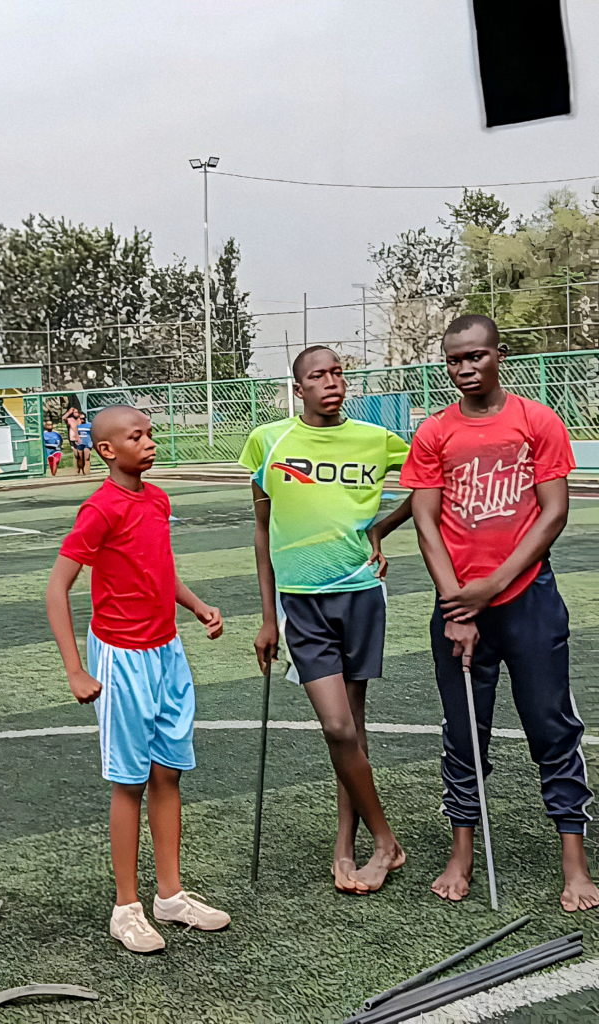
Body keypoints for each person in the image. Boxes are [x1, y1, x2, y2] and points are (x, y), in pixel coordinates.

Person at [400, 314, 599, 913]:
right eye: (455, 361)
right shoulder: (434, 432)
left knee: (550, 726)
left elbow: (553, 513)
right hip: (459, 609)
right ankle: (461, 853)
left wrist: (493, 586)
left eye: (476, 357)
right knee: (463, 734)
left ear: (498, 356)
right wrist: (457, 605)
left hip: (529, 601)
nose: (465, 370)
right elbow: (427, 523)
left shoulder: (536, 421)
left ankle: (575, 862)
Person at [46, 404, 230, 953]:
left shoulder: (156, 499)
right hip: (120, 658)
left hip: (166, 651)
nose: (149, 442)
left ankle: (169, 895)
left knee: (168, 772)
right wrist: (75, 668)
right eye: (137, 436)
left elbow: (159, 568)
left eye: (150, 433)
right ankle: (125, 906)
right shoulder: (99, 509)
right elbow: (57, 588)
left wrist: (195, 607)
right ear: (107, 449)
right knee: (128, 781)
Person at [243, 346, 412, 894]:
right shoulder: (269, 442)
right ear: (298, 389)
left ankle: (346, 844)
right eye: (318, 375)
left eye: (338, 372)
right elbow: (262, 531)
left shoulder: (376, 440)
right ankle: (385, 841)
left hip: (361, 595)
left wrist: (380, 530)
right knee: (337, 727)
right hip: (300, 602)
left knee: (353, 731)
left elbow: (427, 484)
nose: (331, 382)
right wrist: (269, 617)